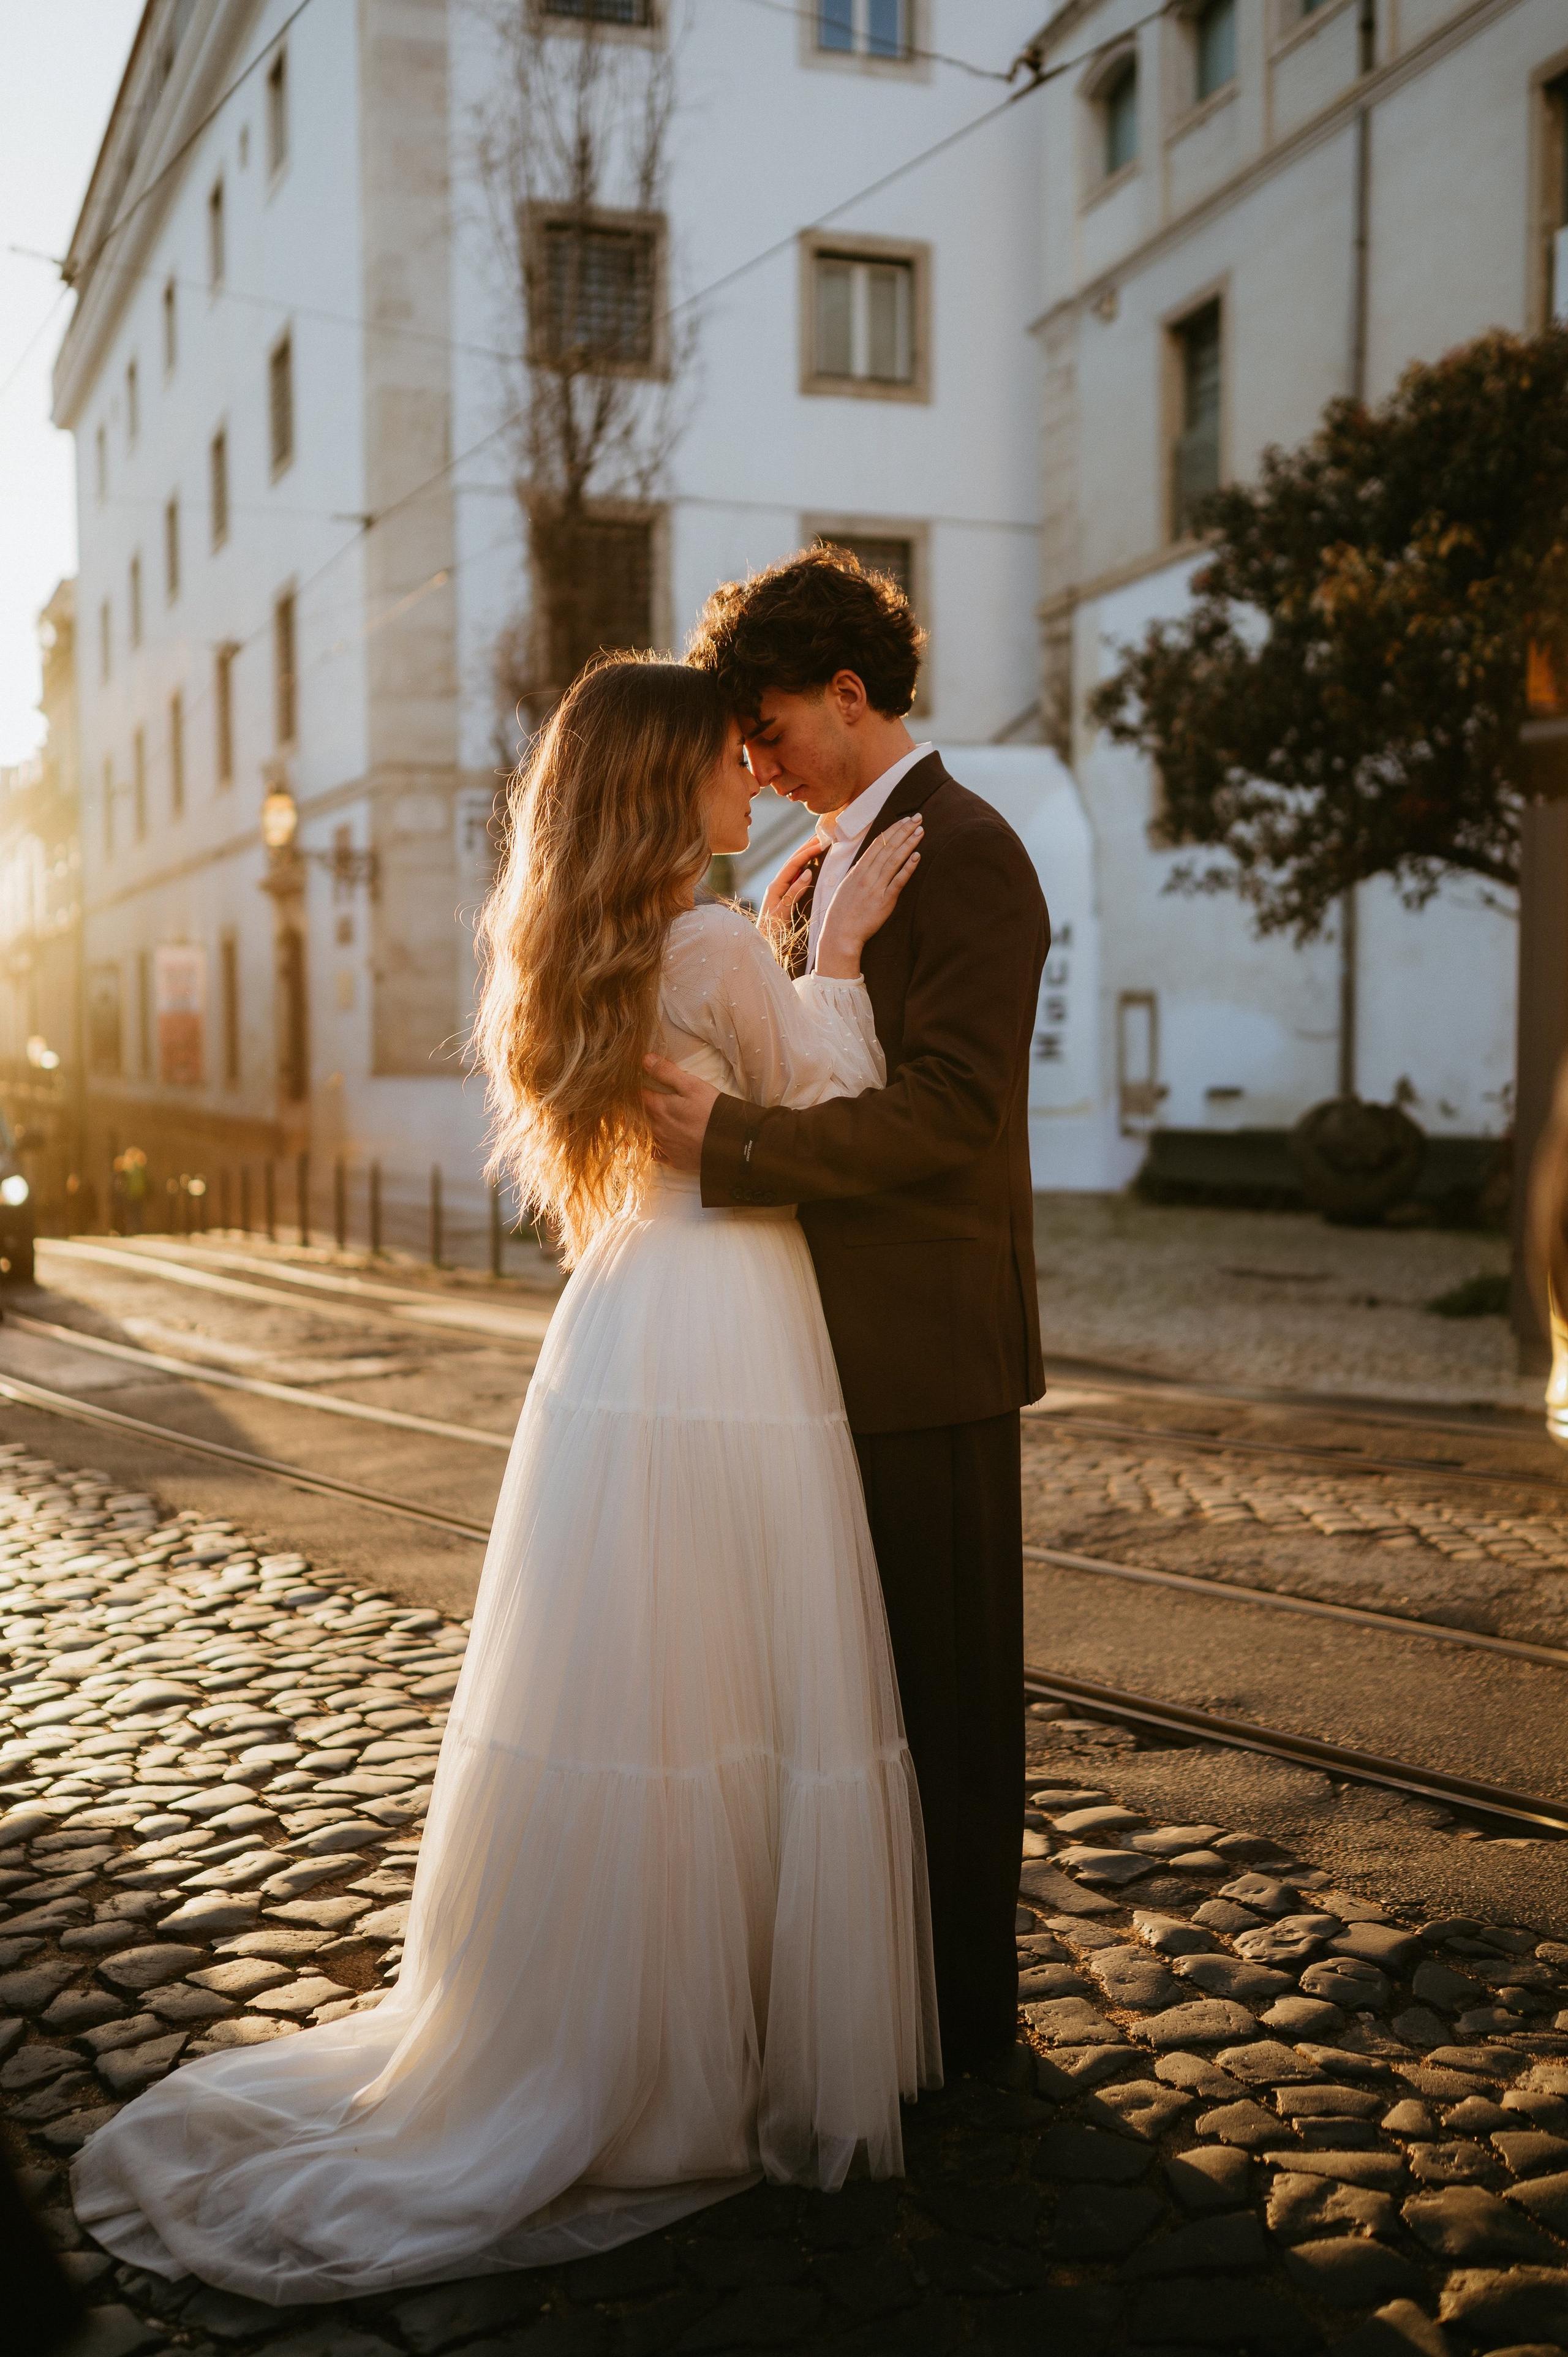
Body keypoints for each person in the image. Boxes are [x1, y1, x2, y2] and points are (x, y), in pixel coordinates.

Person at [72, 657, 938, 2303]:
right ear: (666, 782)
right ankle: (699, 2061)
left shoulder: (586, 947)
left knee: (641, 1688)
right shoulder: (702, 944)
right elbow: (832, 1096)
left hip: (624, 1327)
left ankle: (608, 2023)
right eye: (726, 768)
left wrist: (766, 947)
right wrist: (826, 955)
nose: (751, 787)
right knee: (740, 1681)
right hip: (737, 1323)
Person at [646, 549, 1050, 2073]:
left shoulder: (970, 848)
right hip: (810, 1346)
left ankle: (955, 2027)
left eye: (767, 732)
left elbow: (953, 1110)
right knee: (843, 1711)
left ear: (846, 692)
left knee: (942, 1716)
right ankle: (861, 1999)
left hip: (926, 1349)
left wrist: (736, 1146)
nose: (753, 765)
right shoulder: (810, 870)